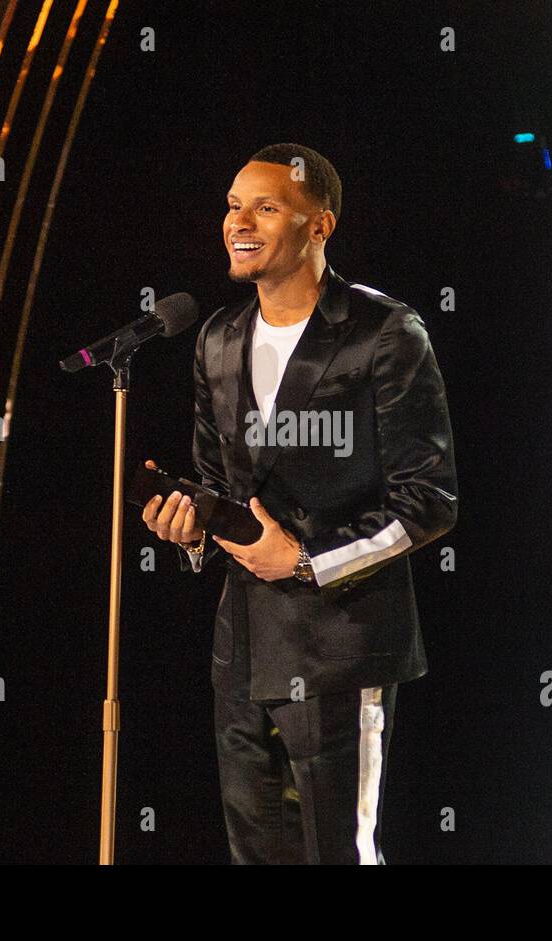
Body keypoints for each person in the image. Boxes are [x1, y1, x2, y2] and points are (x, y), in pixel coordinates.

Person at [142, 143, 458, 864]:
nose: (238, 221)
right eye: (231, 205)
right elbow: (221, 489)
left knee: (340, 853)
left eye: (265, 206)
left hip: (344, 645)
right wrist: (190, 527)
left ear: (320, 226)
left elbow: (428, 500)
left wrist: (310, 561)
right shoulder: (218, 339)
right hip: (244, 648)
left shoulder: (386, 333)